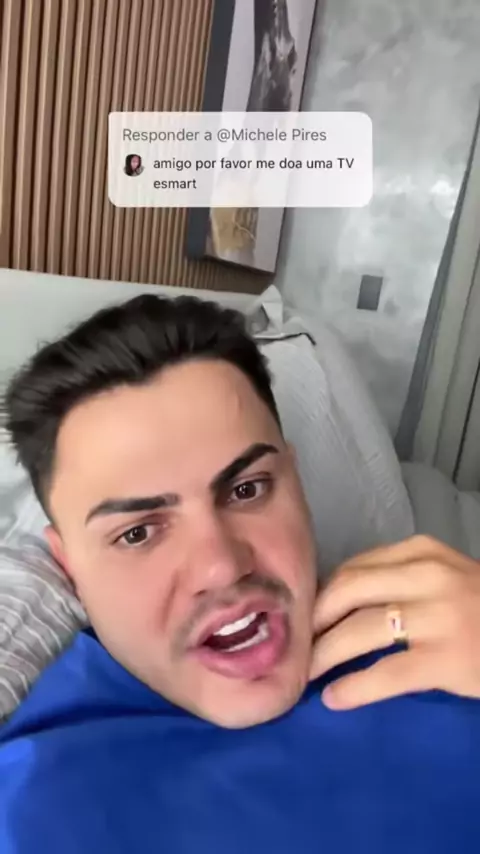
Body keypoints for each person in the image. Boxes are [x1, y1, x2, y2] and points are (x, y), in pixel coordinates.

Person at [1, 294, 480, 853]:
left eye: (247, 489)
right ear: (69, 567)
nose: (223, 566)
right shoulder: (33, 805)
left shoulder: (451, 633)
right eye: (137, 533)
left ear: (296, 484)